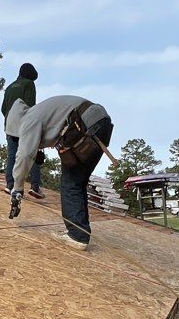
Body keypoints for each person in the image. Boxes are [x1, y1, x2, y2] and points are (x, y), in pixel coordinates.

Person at [10, 95, 113, 249]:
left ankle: (77, 236)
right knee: (78, 182)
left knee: (70, 183)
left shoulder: (28, 119)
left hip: (84, 124)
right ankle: (80, 230)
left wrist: (17, 188)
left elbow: (24, 154)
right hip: (101, 122)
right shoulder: (42, 111)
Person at [1, 64, 44, 199]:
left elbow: (3, 108)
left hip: (9, 124)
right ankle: (35, 186)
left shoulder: (9, 87)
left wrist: (11, 119)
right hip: (24, 124)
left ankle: (10, 185)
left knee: (12, 154)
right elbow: (31, 106)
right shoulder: (29, 84)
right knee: (32, 152)